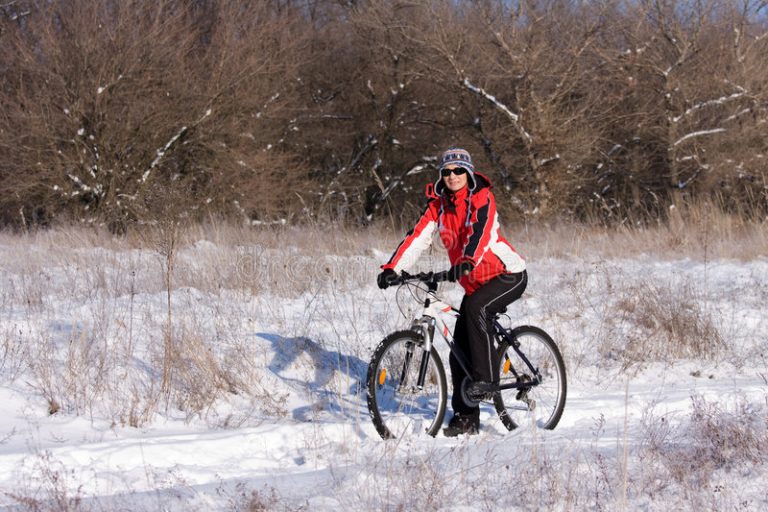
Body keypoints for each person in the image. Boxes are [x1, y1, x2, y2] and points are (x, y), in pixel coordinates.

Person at [376, 147, 527, 437]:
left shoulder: (482, 197)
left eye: (458, 170)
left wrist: (466, 261)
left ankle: (485, 379)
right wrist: (393, 267)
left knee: (475, 309)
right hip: (474, 282)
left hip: (508, 274)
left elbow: (478, 234)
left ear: (468, 173)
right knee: (458, 352)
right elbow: (417, 238)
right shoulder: (438, 206)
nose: (452, 176)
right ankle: (466, 417)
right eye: (446, 172)